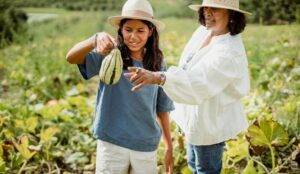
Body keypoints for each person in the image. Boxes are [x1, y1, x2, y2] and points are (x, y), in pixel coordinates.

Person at [125, 0, 251, 173]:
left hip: (210, 121)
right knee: (193, 164)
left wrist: (158, 77)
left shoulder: (228, 52)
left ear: (231, 15)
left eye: (214, 9)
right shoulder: (204, 32)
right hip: (195, 116)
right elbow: (187, 67)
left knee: (206, 169)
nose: (207, 13)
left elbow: (198, 83)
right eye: (205, 8)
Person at [65, 0, 174, 173]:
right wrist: (94, 40)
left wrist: (169, 145)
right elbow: (70, 57)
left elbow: (162, 107)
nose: (133, 36)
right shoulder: (108, 55)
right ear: (120, 31)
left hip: (145, 144)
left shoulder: (158, 63)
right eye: (128, 30)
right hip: (111, 142)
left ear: (150, 31)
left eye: (140, 30)